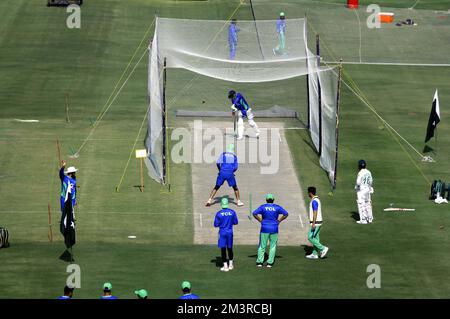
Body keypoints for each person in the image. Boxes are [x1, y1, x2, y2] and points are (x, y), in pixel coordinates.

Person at [252, 194, 288, 267]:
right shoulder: (277, 207)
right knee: (273, 246)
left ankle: (259, 262)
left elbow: (254, 213)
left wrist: (260, 220)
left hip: (264, 228)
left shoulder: (263, 207)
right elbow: (286, 214)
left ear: (266, 200)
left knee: (262, 246)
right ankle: (270, 263)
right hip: (274, 228)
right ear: (273, 200)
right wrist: (279, 220)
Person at [214, 197, 239, 272]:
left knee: (223, 249)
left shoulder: (218, 213)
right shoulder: (232, 212)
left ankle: (225, 266)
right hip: (230, 232)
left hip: (222, 233)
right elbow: (236, 222)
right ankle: (231, 265)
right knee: (230, 248)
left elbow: (215, 224)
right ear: (227, 204)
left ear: (221, 204)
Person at [306, 186, 329, 259]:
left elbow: (315, 212)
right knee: (316, 238)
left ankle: (323, 248)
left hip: (316, 223)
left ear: (310, 193)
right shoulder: (316, 199)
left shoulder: (314, 201)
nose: (308, 194)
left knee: (310, 237)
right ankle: (315, 254)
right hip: (318, 222)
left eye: (308, 193)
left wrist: (313, 223)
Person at [355, 159, 374, 224]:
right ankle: (370, 218)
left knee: (361, 204)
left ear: (359, 166)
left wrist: (357, 187)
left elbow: (358, 182)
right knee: (368, 203)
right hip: (367, 189)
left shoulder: (360, 173)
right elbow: (371, 181)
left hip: (362, 190)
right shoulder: (368, 172)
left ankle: (363, 220)